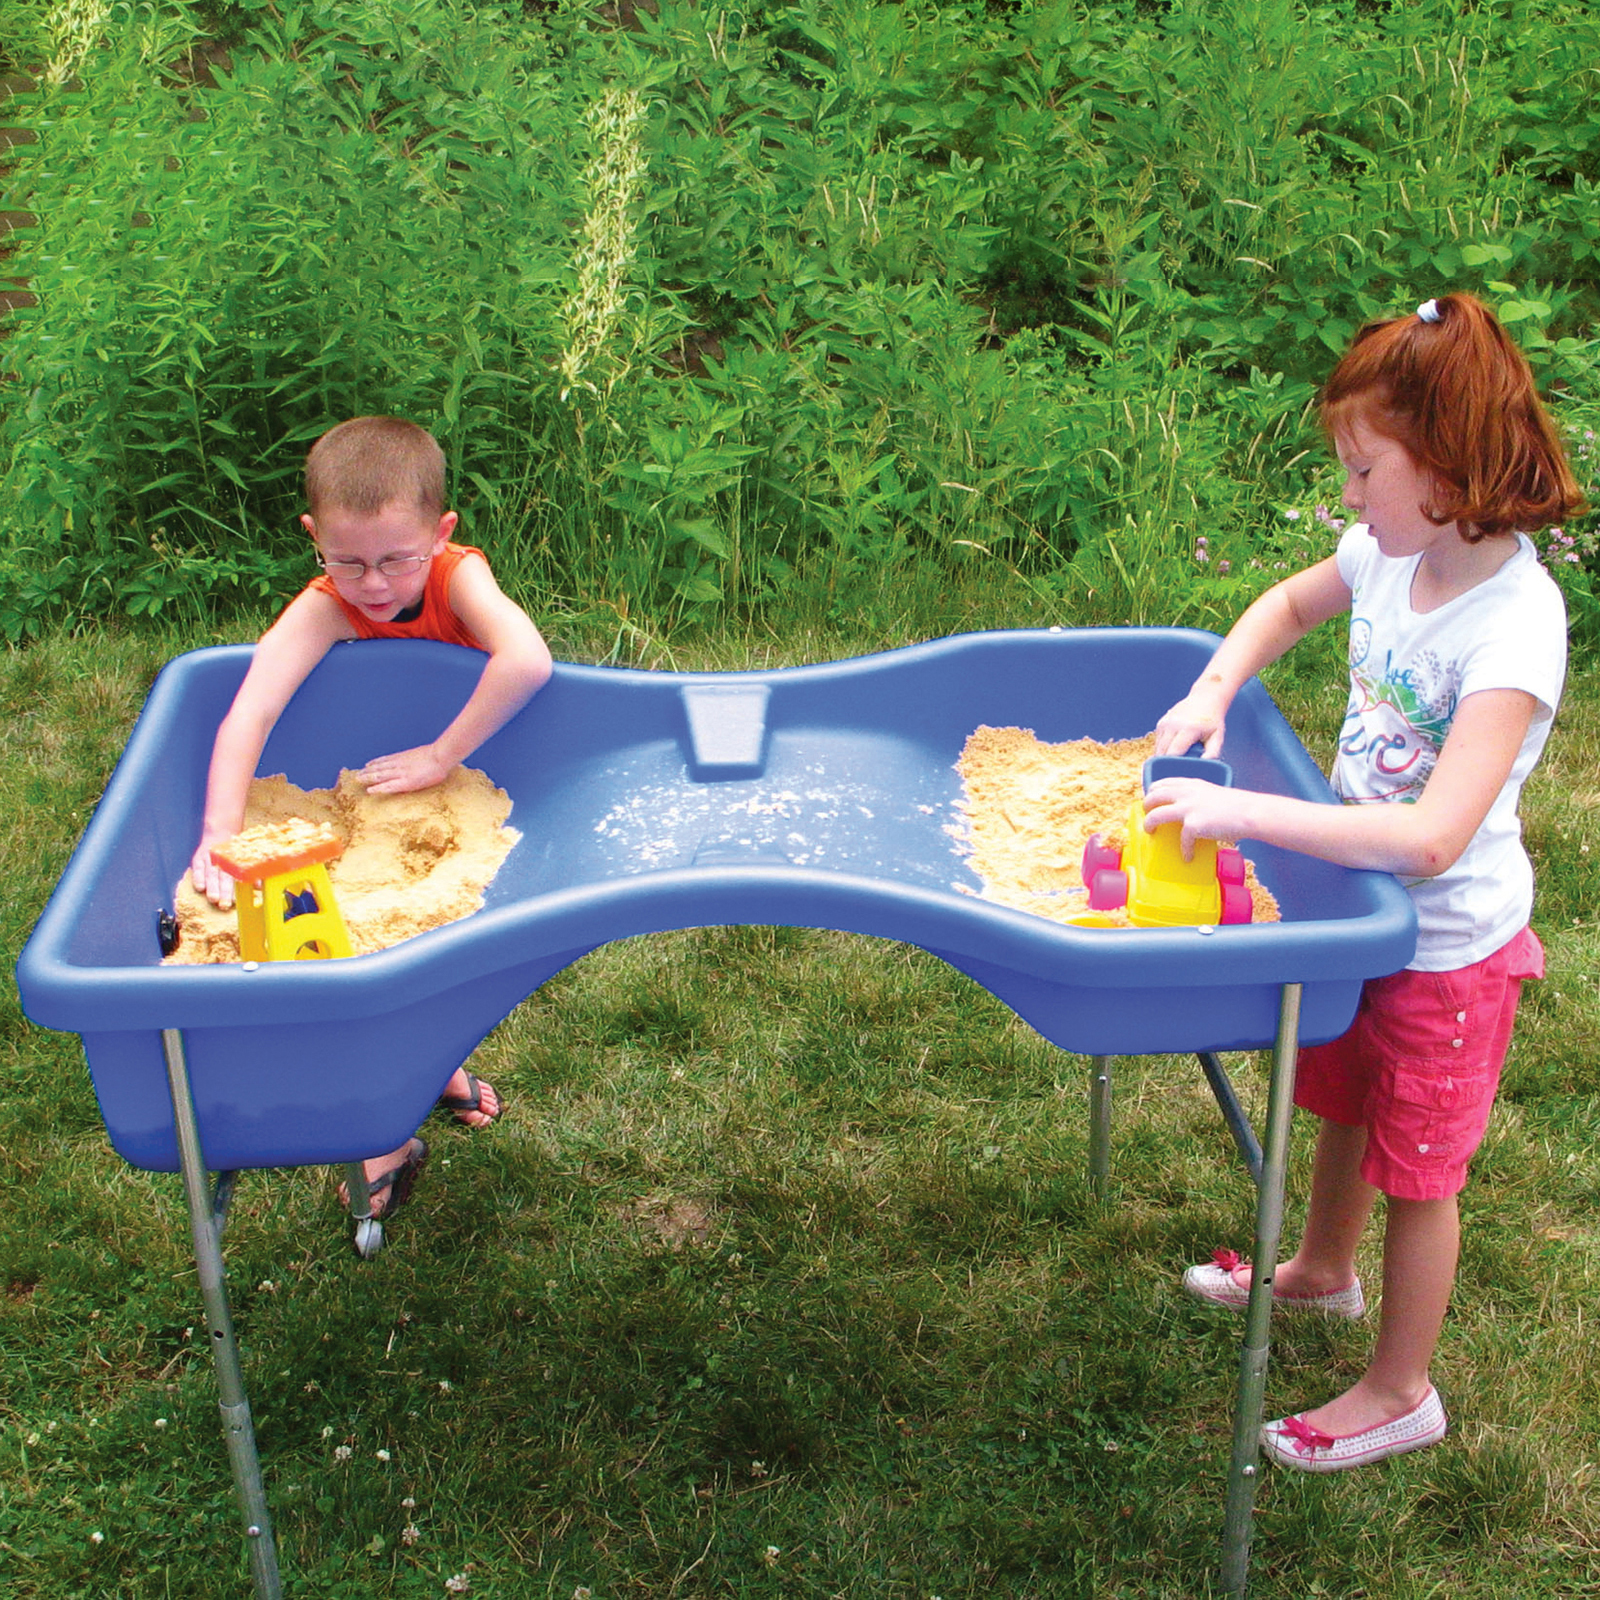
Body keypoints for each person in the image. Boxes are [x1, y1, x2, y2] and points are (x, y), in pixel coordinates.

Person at [1147, 294, 1583, 1471]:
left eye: (1362, 469)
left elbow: (1433, 837)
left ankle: (1400, 1389)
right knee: (1339, 1095)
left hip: (1448, 948)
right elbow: (1288, 604)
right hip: (1361, 911)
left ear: (1448, 463)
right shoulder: (1393, 557)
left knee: (1419, 1173)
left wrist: (1240, 811)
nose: (1346, 496)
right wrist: (1214, 688)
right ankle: (1321, 1272)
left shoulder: (1513, 625)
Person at [190, 416, 554, 1217]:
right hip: (379, 793)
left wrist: (441, 755)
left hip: (468, 779)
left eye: (396, 558)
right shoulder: (326, 605)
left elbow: (528, 660)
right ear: (314, 538)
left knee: (432, 956)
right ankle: (404, 1104)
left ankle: (408, 1095)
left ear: (441, 532)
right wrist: (219, 833)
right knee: (354, 947)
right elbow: (250, 711)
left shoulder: (457, 575)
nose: (375, 583)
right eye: (347, 561)